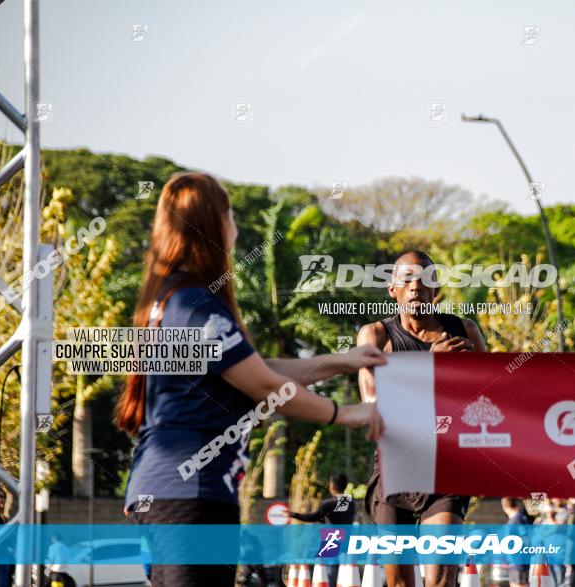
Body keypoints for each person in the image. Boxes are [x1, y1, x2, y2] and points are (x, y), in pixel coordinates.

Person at [116, 172, 386, 587]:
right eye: (230, 216)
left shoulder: (175, 299)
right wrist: (345, 413)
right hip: (190, 497)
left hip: (175, 493)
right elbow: (264, 387)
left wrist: (341, 362)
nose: (235, 228)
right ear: (212, 224)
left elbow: (259, 370)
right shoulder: (194, 303)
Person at [357, 250, 487, 587]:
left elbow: (491, 396)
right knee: (399, 583)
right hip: (394, 469)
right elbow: (373, 404)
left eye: (425, 279)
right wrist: (428, 367)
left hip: (445, 470)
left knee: (442, 579)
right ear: (392, 289)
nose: (416, 286)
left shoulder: (464, 332)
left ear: (437, 289)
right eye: (407, 278)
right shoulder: (376, 337)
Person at [289, 472, 356, 587]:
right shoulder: (351, 503)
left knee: (330, 574)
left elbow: (314, 517)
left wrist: (294, 514)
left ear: (332, 486)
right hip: (348, 541)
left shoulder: (328, 504)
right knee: (346, 573)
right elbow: (338, 517)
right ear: (345, 486)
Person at [501, 498, 531, 587]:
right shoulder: (517, 519)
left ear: (504, 507)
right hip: (515, 562)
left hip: (519, 562)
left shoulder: (518, 520)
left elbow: (527, 540)